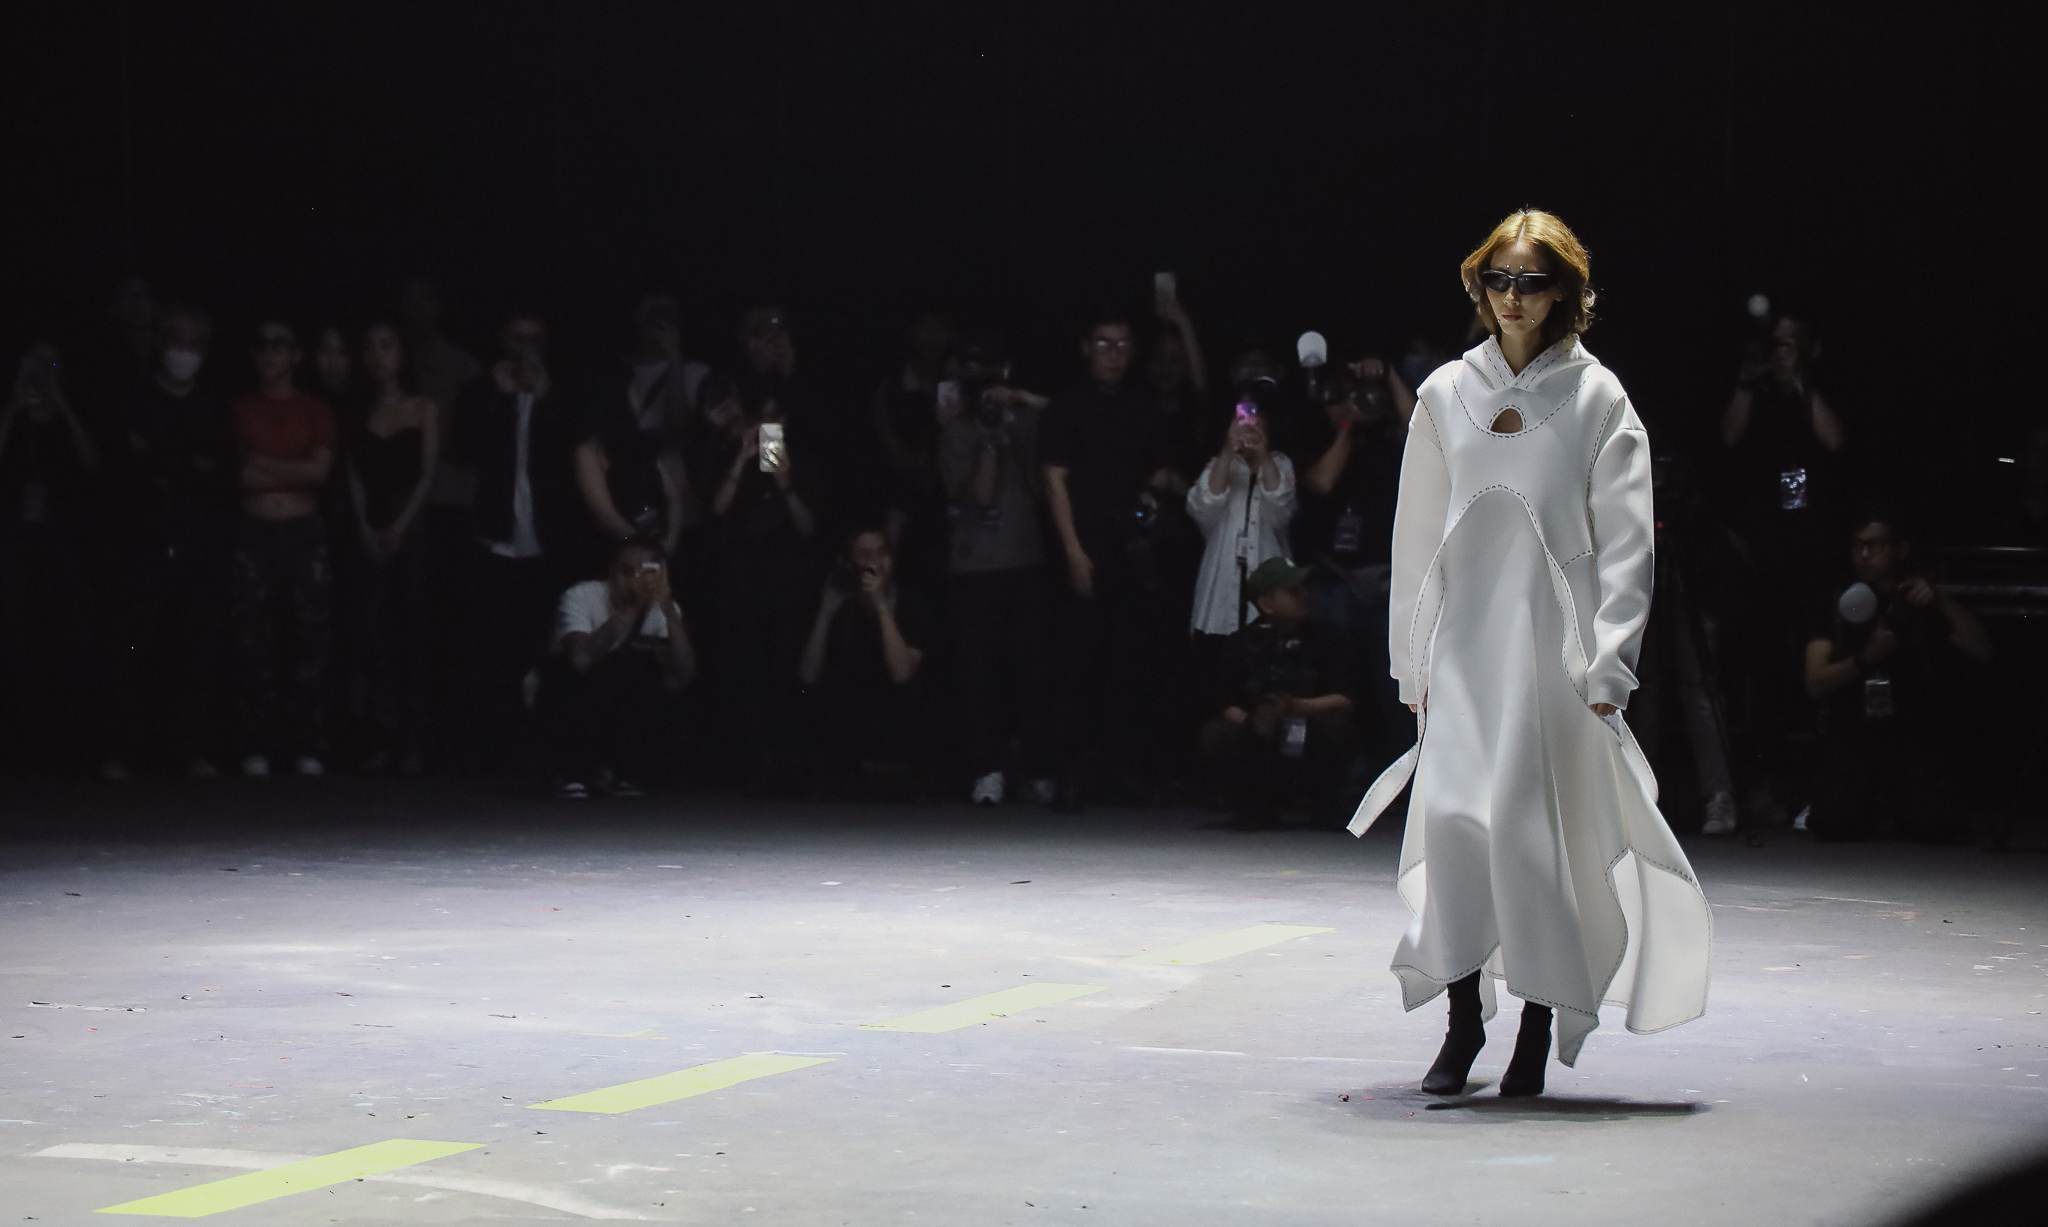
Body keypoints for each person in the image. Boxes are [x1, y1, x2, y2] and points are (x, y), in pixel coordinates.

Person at [1351, 210, 1711, 1099]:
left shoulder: (1597, 398)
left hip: (1557, 655)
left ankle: (1536, 1027)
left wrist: (1612, 662)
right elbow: (1415, 536)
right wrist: (1410, 659)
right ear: (1478, 286)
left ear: (1567, 292)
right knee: (1457, 830)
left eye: (1533, 281)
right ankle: (1463, 1017)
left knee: (1532, 839)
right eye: (1499, 280)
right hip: (1465, 647)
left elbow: (1628, 542)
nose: (1513, 298)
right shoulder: (1445, 393)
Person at [1040, 311, 1184, 810]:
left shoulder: (1144, 405)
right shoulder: (1067, 406)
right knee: (1076, 664)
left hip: (1134, 549)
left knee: (1128, 665)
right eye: (1104, 344)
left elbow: (1160, 471)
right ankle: (1070, 773)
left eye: (1122, 345)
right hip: (1086, 545)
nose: (1114, 354)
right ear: (1086, 348)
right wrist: (1073, 551)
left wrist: (1156, 495)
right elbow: (1053, 479)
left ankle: (1120, 771)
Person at [1718, 311, 1848, 801]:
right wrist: (1750, 379)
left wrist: (1800, 382)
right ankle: (1766, 774)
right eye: (1777, 343)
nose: (1782, 352)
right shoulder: (1758, 391)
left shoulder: (1816, 390)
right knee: (1765, 664)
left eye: (1792, 343)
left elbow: (1835, 440)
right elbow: (1730, 436)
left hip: (1811, 548)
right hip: (1762, 550)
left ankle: (1822, 779)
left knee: (1814, 660)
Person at [445, 314, 584, 770]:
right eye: (517, 339)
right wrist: (498, 397)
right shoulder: (483, 391)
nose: (525, 349)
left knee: (543, 643)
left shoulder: (559, 393)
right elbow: (463, 449)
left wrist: (545, 398)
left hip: (548, 539)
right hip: (497, 536)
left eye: (534, 339)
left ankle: (540, 747)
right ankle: (497, 749)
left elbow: (576, 451)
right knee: (494, 647)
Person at [105, 304, 237, 778]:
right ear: (162, 343)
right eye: (178, 341)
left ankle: (190, 748)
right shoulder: (135, 399)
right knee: (134, 647)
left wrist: (166, 459)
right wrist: (178, 463)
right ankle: (123, 750)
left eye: (195, 343)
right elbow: (125, 468)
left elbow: (220, 472)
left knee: (196, 645)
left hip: (199, 543)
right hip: (142, 541)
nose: (185, 352)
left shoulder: (213, 406)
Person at [1803, 513, 1991, 843]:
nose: (1864, 555)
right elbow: (1815, 682)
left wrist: (1940, 599)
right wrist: (1865, 657)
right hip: (1855, 732)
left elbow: (1981, 649)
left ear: (1900, 549)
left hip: (1913, 734)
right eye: (1857, 546)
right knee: (1833, 821)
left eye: (1875, 545)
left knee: (1938, 823)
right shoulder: (1836, 600)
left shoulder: (1920, 597)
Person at [937, 343, 1052, 805]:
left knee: (1032, 675)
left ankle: (1038, 769)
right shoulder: (956, 430)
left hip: (1026, 562)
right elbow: (981, 494)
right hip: (975, 568)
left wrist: (1019, 402)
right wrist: (988, 436)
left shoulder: (1025, 420)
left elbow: (1069, 416)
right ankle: (987, 770)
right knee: (980, 676)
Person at [696, 376, 822, 790]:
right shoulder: (727, 455)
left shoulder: (800, 460)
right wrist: (741, 459)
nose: (767, 427)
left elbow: (808, 527)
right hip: (740, 586)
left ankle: (790, 765)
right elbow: (716, 510)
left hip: (786, 585)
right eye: (761, 419)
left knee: (785, 674)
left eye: (775, 420)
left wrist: (784, 478)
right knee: (744, 677)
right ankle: (752, 764)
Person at [1296, 358, 1415, 776]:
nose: (1346, 405)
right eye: (1339, 399)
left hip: (1383, 581)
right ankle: (1345, 776)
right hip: (1333, 579)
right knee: (1341, 681)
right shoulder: (1316, 437)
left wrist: (1388, 375)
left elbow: (1422, 429)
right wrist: (1347, 428)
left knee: (1389, 684)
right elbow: (1322, 481)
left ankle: (1398, 775)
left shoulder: (1387, 439)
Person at [229, 322, 338, 777]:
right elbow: (237, 475)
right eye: (262, 344)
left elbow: (318, 474)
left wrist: (262, 462)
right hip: (254, 530)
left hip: (303, 531)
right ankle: (257, 742)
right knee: (253, 637)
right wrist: (290, 469)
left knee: (309, 638)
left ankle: (306, 743)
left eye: (280, 345)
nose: (270, 353)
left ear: (296, 355)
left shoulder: (315, 409)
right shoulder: (239, 408)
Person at [0, 343, 102, 773]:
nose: (40, 373)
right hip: (16, 539)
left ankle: (72, 745)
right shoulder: (14, 416)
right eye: (33, 364)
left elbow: (91, 463)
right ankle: (24, 745)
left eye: (49, 364)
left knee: (72, 633)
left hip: (65, 539)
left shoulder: (71, 414)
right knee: (18, 636)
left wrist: (60, 404)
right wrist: (13, 406)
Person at [346, 323, 440, 775]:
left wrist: (400, 526)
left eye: (386, 345)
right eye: (369, 346)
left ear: (402, 353)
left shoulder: (423, 407)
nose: (377, 355)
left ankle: (414, 741)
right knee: (374, 633)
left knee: (413, 633)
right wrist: (365, 526)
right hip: (372, 524)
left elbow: (427, 472)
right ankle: (379, 740)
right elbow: (354, 474)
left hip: (411, 526)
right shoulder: (359, 409)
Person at [1200, 558, 1357, 826]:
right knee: (1217, 734)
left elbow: (1348, 698)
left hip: (1309, 731)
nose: (1303, 595)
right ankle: (1250, 804)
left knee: (1336, 726)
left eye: (1303, 589)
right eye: (1293, 591)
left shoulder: (1327, 637)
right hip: (1261, 736)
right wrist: (1253, 720)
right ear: (1266, 603)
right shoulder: (1242, 644)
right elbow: (1223, 702)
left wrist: (1297, 706)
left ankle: (1326, 805)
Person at [539, 536, 695, 798]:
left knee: (646, 674)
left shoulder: (665, 607)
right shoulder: (581, 595)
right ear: (611, 570)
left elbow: (684, 675)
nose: (633, 580)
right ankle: (570, 771)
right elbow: (580, 659)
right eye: (626, 572)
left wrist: (669, 612)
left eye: (644, 573)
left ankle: (623, 769)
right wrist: (629, 609)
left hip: (621, 699)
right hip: (566, 690)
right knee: (598, 671)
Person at [797, 528, 936, 799]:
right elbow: (808, 676)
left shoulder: (913, 603)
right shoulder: (841, 603)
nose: (874, 562)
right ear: (850, 562)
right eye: (864, 554)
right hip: (853, 718)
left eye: (882, 553)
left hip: (899, 717)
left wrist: (882, 606)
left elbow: (902, 674)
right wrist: (825, 613)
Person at [573, 295, 705, 564]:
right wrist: (647, 550)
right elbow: (607, 517)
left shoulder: (695, 374)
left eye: (667, 316)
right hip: (629, 549)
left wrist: (667, 545)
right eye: (651, 317)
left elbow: (673, 493)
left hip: (673, 534)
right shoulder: (591, 447)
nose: (659, 325)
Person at [1186, 380, 1296, 642]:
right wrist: (1227, 451)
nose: (1248, 423)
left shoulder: (1280, 463)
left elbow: (1281, 512)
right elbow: (1202, 509)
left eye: (1256, 415)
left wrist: (1262, 456)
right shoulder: (1218, 465)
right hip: (1221, 579)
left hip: (1268, 575)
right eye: (1241, 416)